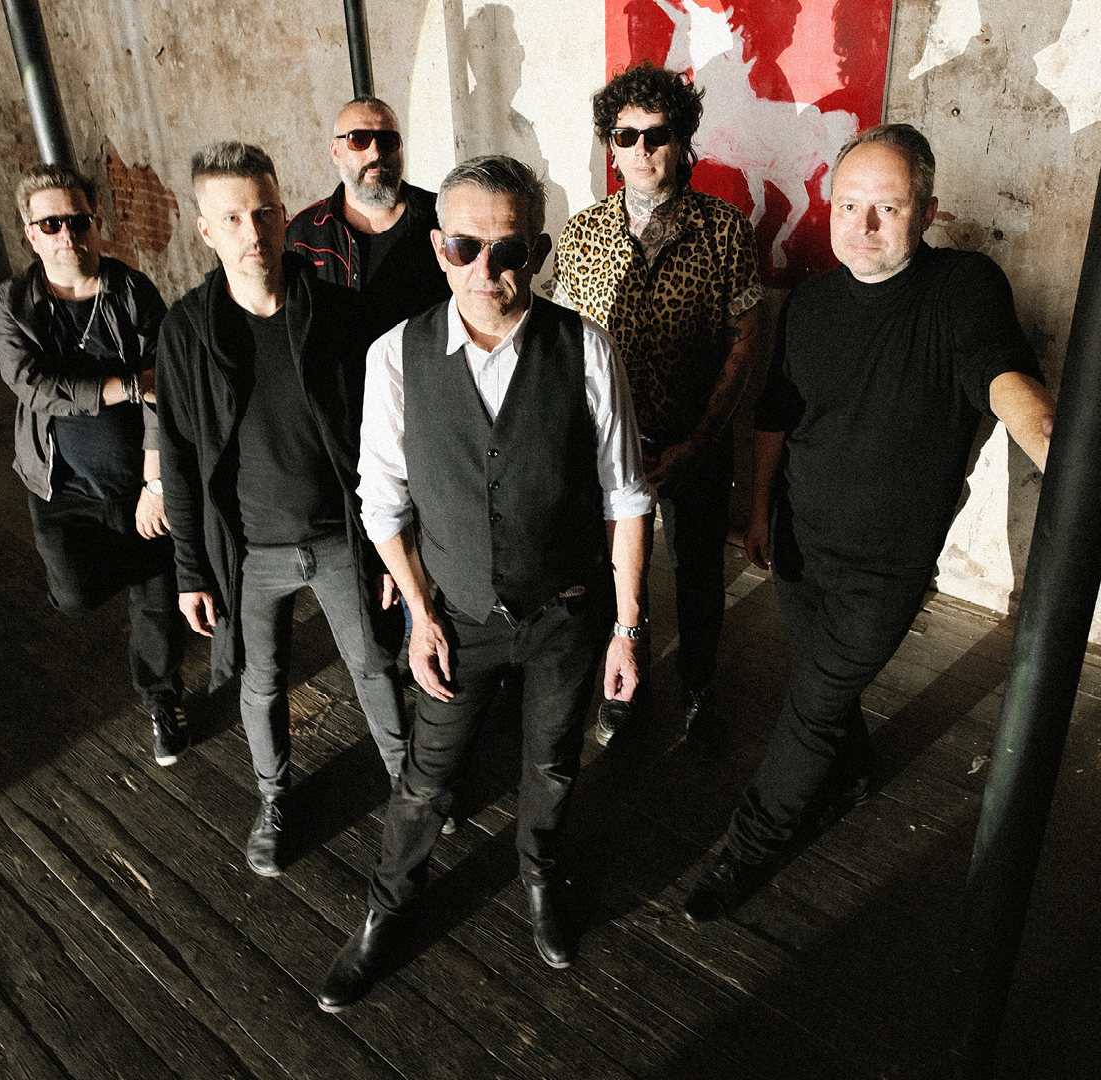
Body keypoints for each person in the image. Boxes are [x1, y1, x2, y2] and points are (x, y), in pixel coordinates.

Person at [682, 124, 1101, 922]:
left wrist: (1068, 450)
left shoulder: (963, 289)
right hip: (798, 543)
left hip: (883, 570)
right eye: (849, 205)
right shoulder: (812, 305)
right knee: (824, 689)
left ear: (927, 212)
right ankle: (852, 774)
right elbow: (778, 416)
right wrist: (759, 510)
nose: (862, 226)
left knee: (811, 708)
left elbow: (1004, 378)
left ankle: (746, 848)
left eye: (888, 208)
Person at [317, 156, 655, 1011]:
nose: (486, 270)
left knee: (552, 760)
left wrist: (627, 626)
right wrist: (421, 615)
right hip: (458, 615)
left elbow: (625, 495)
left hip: (564, 611)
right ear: (439, 248)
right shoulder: (397, 356)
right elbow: (382, 500)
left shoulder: (586, 347)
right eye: (466, 247)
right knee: (426, 777)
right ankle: (387, 909)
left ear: (537, 252)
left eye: (508, 251)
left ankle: (540, 874)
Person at [155, 142, 406, 878]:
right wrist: (191, 572)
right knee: (260, 682)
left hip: (339, 536)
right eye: (232, 217)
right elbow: (178, 457)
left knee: (374, 666)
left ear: (283, 212)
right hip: (250, 551)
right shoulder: (187, 331)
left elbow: (384, 437)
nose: (252, 231)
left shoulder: (337, 311)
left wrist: (392, 545)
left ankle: (412, 787)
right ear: (207, 230)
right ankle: (273, 799)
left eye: (264, 212)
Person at [553, 62, 762, 749]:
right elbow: (563, 346)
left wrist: (697, 442)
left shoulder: (725, 230)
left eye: (657, 134)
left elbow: (743, 343)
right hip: (607, 446)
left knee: (699, 573)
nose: (641, 148)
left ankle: (698, 684)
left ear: (683, 139)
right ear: (609, 145)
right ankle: (626, 679)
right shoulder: (580, 233)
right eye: (626, 135)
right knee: (615, 574)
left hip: (694, 439)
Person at [0, 164, 187, 766]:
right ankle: (148, 569)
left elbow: (165, 389)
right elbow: (32, 383)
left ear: (95, 224)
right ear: (31, 233)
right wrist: (125, 385)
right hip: (60, 485)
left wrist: (156, 483)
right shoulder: (13, 302)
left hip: (138, 483)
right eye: (51, 224)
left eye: (78, 221)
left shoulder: (131, 291)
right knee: (74, 596)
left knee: (157, 603)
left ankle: (161, 698)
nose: (67, 234)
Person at [286, 95, 450, 341]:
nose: (375, 152)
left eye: (388, 140)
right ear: (335, 151)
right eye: (358, 139)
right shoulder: (304, 233)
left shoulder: (441, 216)